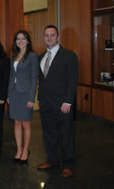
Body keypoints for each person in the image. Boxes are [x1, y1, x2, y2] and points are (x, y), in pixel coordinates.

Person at [37, 25, 78, 178]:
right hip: (46, 103)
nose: (49, 38)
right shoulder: (41, 56)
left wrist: (68, 102)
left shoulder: (69, 55)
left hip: (62, 104)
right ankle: (52, 160)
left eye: (52, 35)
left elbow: (72, 81)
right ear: (44, 38)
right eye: (46, 35)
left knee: (66, 135)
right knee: (49, 133)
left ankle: (68, 164)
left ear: (58, 37)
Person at [7, 30, 38, 164]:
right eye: (18, 39)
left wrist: (32, 98)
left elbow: (33, 78)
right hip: (14, 93)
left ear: (28, 41)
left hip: (26, 94)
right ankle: (19, 149)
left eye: (23, 39)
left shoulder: (32, 56)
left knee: (25, 123)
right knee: (16, 122)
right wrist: (8, 94)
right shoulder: (13, 57)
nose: (20, 41)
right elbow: (11, 77)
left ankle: (26, 150)